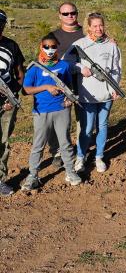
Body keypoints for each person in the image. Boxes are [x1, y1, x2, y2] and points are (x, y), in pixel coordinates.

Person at [21, 33, 82, 191]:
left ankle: (70, 171)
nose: (50, 49)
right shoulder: (34, 68)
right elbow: (26, 89)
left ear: (57, 48)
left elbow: (68, 85)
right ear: (41, 47)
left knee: (65, 142)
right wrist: (46, 87)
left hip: (61, 109)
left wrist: (69, 99)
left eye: (53, 46)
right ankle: (33, 175)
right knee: (38, 145)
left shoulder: (64, 66)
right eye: (46, 46)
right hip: (41, 111)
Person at [69, 13, 122, 173]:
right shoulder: (79, 44)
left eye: (101, 25)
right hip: (87, 95)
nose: (98, 29)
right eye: (95, 26)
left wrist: (114, 88)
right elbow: (66, 63)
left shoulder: (111, 45)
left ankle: (99, 156)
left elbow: (116, 69)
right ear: (88, 27)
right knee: (87, 127)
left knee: (103, 126)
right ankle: (80, 157)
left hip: (106, 95)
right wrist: (79, 68)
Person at [48, 2, 84, 167]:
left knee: (84, 121)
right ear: (59, 15)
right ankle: (58, 152)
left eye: (72, 13)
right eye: (65, 13)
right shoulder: (52, 36)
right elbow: (46, 61)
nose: (70, 16)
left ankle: (82, 150)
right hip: (62, 86)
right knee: (61, 122)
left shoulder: (87, 32)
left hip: (85, 84)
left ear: (77, 13)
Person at [0, 10, 25, 196]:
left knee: (3, 142)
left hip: (7, 104)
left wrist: (13, 96)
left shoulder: (11, 45)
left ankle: (0, 180)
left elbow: (20, 73)